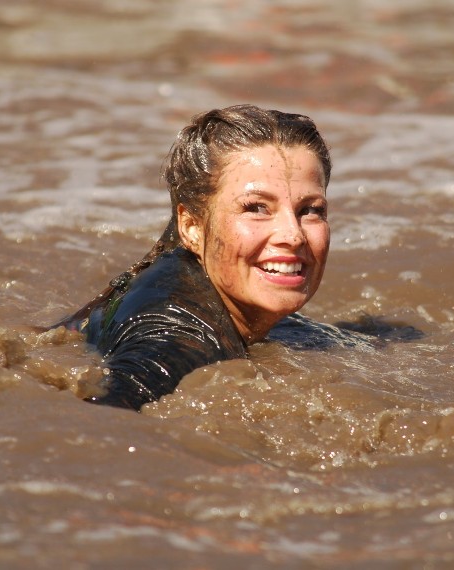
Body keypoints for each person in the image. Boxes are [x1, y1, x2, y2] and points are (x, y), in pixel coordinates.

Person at [54, 104, 416, 411]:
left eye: (310, 210)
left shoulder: (212, 299)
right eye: (256, 208)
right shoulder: (176, 334)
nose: (292, 235)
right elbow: (102, 420)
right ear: (192, 226)